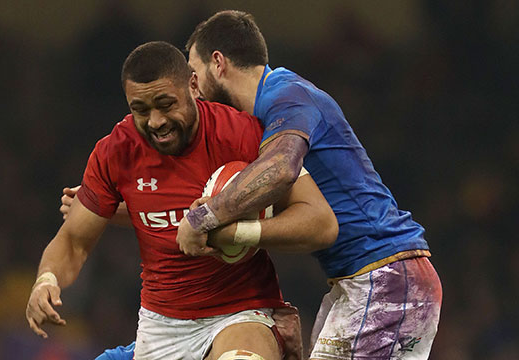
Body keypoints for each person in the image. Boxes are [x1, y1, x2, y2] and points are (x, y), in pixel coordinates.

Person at [26, 41, 338, 360]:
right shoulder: (116, 151)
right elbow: (74, 242)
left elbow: (319, 222)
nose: (156, 121)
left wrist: (233, 232)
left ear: (192, 84)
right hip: (160, 326)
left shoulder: (241, 134)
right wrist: (46, 280)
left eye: (165, 104)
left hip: (241, 315)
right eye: (141, 110)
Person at [173, 10, 442, 360]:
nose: (194, 88)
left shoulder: (288, 96)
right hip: (365, 280)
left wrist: (204, 218)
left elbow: (281, 168)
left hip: (385, 277)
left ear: (219, 63)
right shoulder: (261, 117)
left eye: (194, 74)